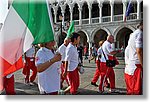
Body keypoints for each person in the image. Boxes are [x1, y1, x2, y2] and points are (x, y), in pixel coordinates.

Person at [124, 21, 143, 95]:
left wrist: (127, 64)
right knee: (136, 91)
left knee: (131, 90)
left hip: (130, 67)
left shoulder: (134, 35)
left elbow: (127, 54)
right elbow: (139, 51)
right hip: (136, 66)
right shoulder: (139, 33)